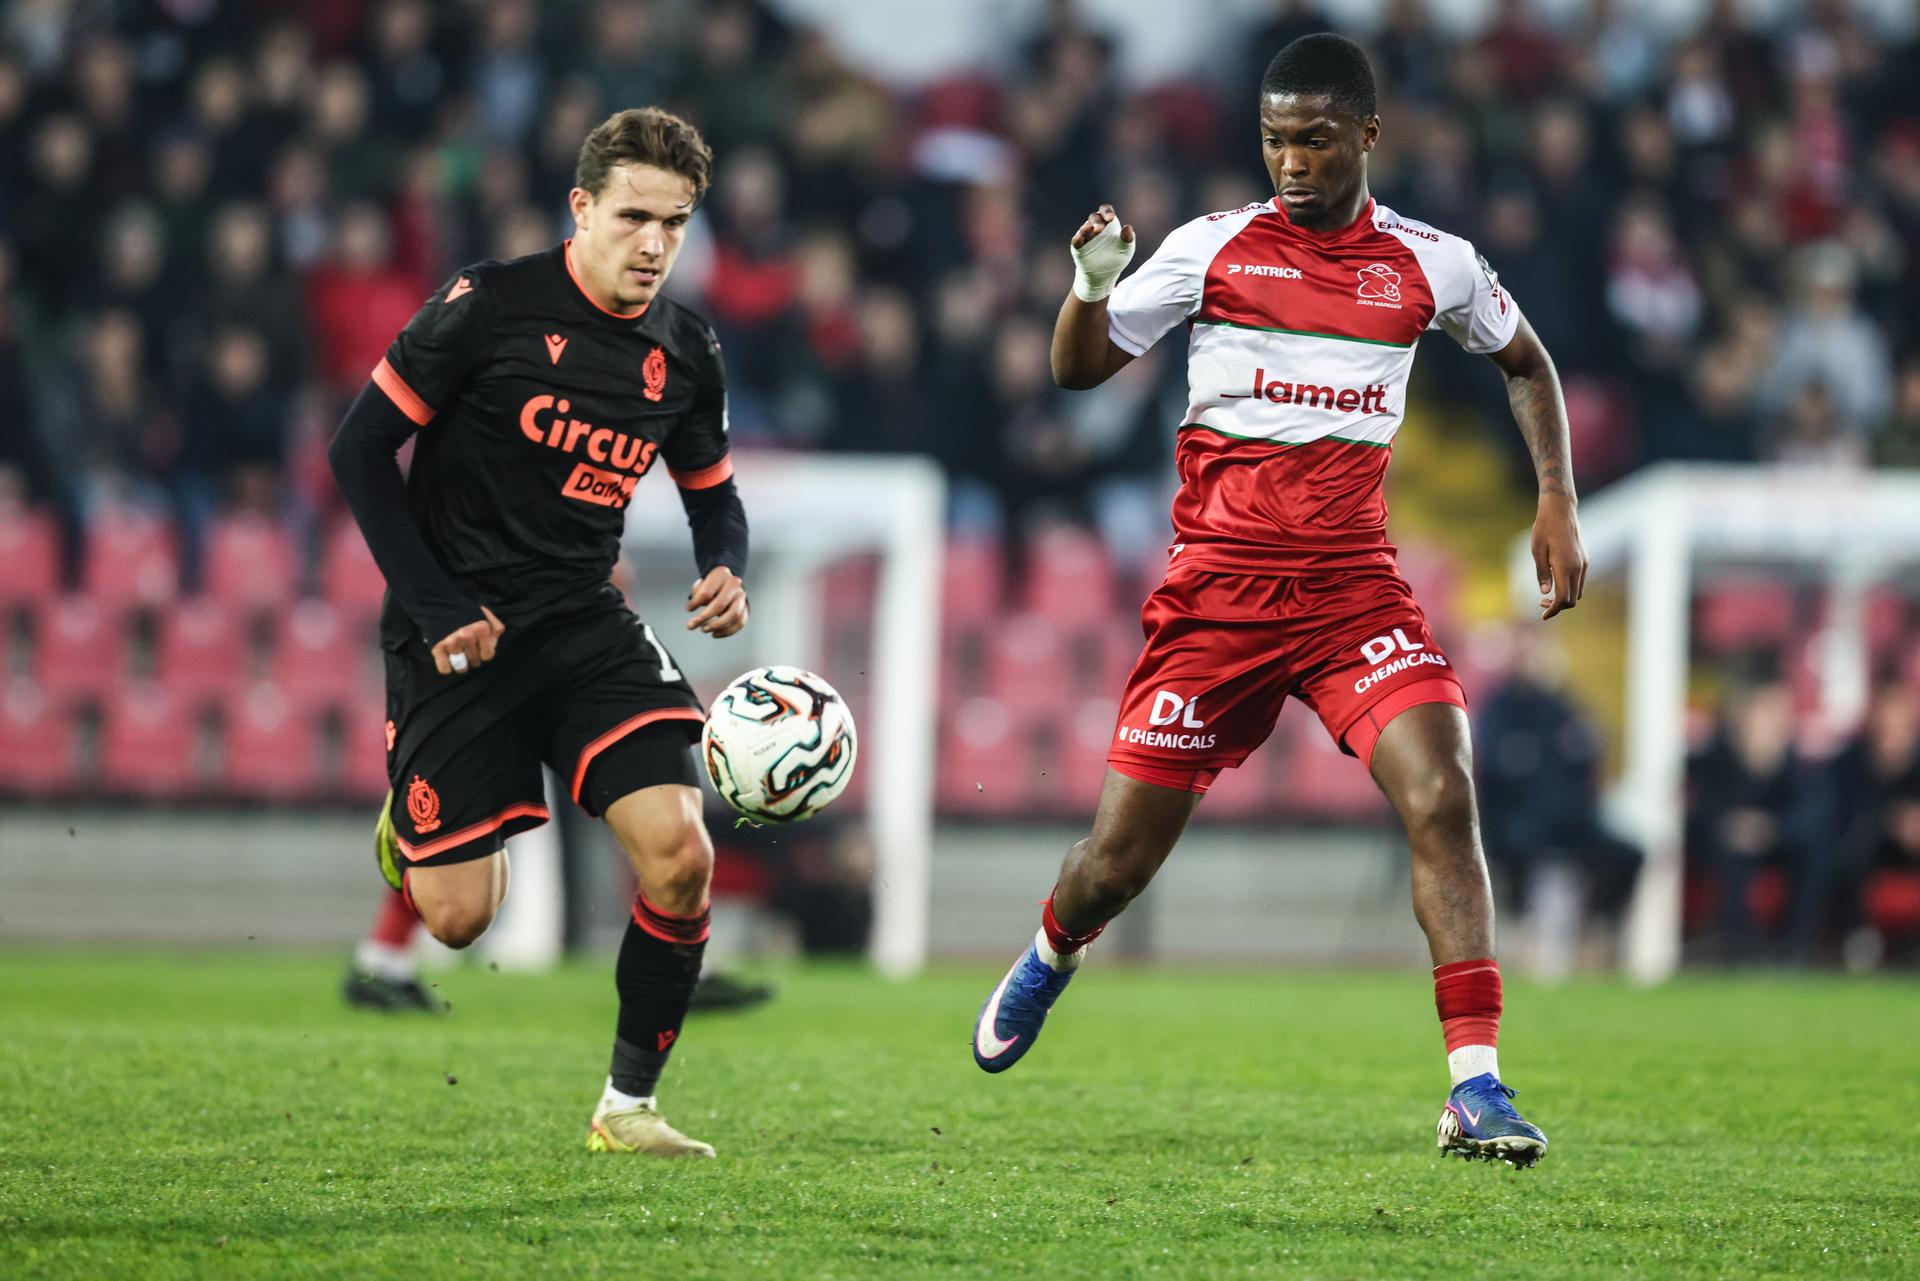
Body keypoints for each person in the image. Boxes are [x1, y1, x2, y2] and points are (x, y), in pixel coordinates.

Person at [971, 34, 1587, 1169]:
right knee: (1115, 861)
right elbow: (1078, 365)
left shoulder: (1430, 263)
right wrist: (1088, 287)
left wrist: (1555, 497)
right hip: (1216, 601)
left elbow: (1526, 361)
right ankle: (1053, 952)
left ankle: (1477, 1086)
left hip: (1354, 593)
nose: (1291, 161)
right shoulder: (1211, 248)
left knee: (1443, 793)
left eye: (1312, 139)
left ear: (1367, 134)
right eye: (1273, 139)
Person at [328, 107, 748, 1158]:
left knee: (680, 855)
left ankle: (628, 1108)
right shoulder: (486, 306)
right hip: (454, 630)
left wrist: (723, 564)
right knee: (461, 917)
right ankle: (411, 837)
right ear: (582, 209)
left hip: (583, 624)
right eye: (634, 217)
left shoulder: (685, 351)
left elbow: (714, 495)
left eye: (677, 223)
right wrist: (434, 607)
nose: (654, 244)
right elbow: (357, 453)